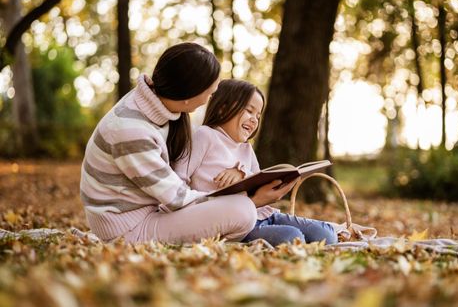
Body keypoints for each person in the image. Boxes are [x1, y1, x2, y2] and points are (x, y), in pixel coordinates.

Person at [80, 43, 296, 244]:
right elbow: (176, 198)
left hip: (145, 213)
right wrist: (253, 200)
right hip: (126, 229)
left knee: (243, 208)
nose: (213, 94)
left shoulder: (156, 105)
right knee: (243, 211)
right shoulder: (131, 131)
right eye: (211, 90)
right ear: (188, 94)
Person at [173, 79, 338, 246]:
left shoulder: (246, 148)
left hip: (263, 213)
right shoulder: (204, 136)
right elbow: (178, 181)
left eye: (258, 116)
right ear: (223, 108)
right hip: (238, 223)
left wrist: (244, 174)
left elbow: (257, 179)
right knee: (293, 237)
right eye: (249, 111)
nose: (254, 120)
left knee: (327, 234)